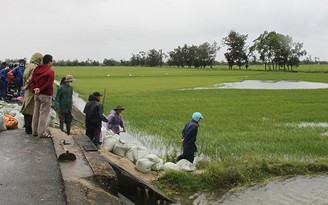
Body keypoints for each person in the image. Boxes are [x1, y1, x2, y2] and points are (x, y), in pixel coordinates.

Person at [30, 54, 55, 138]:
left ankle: (34, 131)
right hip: (45, 94)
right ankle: (41, 132)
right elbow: (49, 84)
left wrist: (35, 89)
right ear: (49, 62)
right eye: (52, 61)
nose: (52, 63)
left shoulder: (36, 69)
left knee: (36, 113)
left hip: (36, 94)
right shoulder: (50, 72)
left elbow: (32, 81)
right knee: (44, 114)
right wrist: (40, 89)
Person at [20, 52, 43, 134]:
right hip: (31, 90)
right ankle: (29, 128)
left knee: (26, 109)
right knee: (31, 110)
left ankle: (27, 127)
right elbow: (31, 78)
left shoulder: (28, 66)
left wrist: (25, 85)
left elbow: (25, 77)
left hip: (27, 91)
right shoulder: (35, 67)